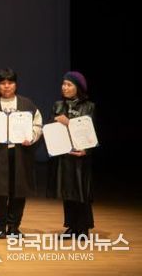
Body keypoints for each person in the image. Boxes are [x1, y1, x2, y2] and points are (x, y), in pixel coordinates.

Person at [0, 68, 42, 238]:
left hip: (20, 154)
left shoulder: (27, 104)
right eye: (3, 83)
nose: (6, 86)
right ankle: (0, 228)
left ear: (15, 84)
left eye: (10, 83)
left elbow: (38, 124)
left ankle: (14, 227)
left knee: (18, 191)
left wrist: (31, 137)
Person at [47, 71, 95, 237]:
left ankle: (83, 227)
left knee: (81, 192)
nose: (64, 87)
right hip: (64, 155)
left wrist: (69, 123)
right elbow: (51, 128)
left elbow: (90, 132)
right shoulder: (58, 105)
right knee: (67, 192)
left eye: (69, 85)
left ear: (78, 88)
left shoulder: (89, 106)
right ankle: (71, 226)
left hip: (81, 156)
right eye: (63, 84)